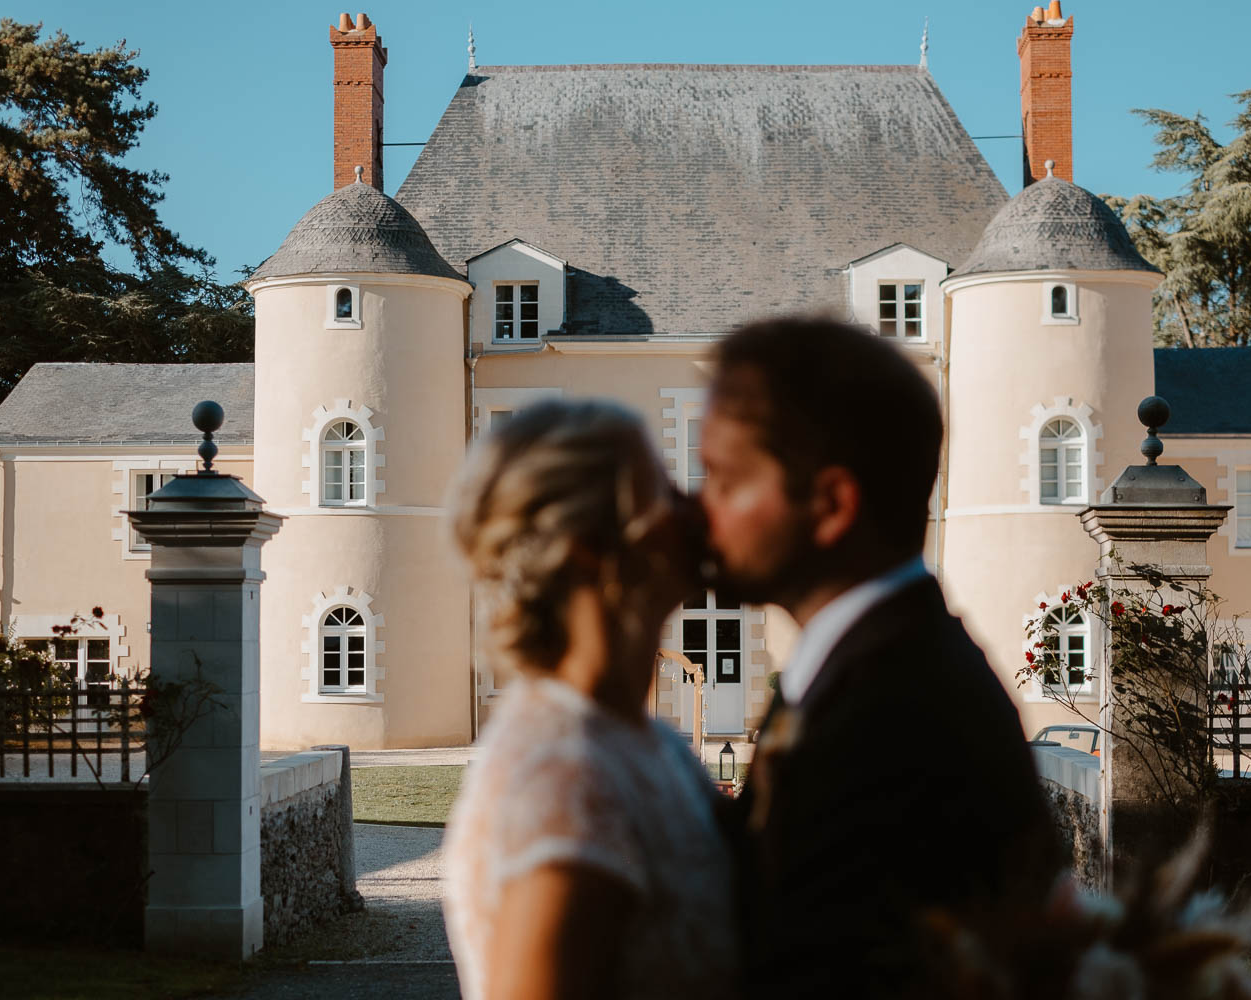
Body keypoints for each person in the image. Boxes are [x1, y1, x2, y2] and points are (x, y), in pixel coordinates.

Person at [700, 316, 1061, 998]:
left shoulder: (890, 714)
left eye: (723, 479)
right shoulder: (874, 663)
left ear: (831, 504)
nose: (701, 507)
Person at [442, 398, 741, 1000]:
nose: (692, 507)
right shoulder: (564, 782)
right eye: (661, 489)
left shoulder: (644, 738)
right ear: (586, 546)